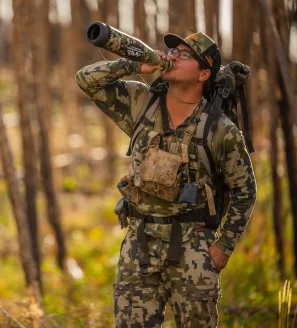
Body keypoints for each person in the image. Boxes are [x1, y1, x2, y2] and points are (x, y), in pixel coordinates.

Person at [76, 32, 257, 327]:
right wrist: (134, 65)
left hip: (193, 248)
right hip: (140, 244)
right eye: (173, 50)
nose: (172, 55)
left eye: (185, 54)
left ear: (204, 74)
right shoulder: (141, 103)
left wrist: (223, 247)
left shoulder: (219, 128)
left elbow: (245, 191)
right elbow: (86, 79)